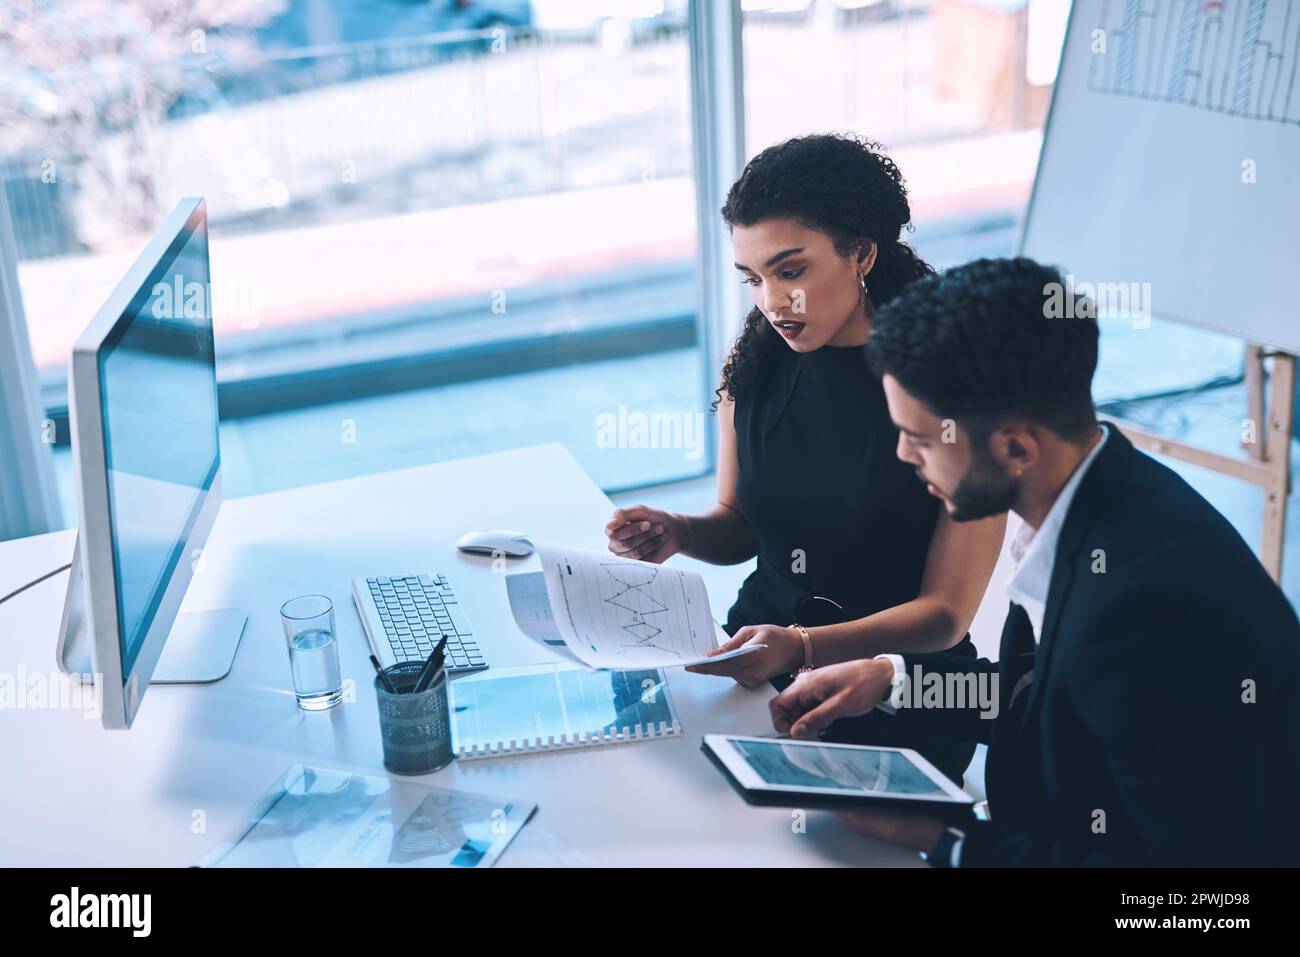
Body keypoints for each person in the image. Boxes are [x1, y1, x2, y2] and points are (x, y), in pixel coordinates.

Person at [769, 256, 1300, 866]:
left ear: (1016, 447)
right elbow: (1042, 697)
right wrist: (895, 680)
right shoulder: (1096, 491)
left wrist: (944, 841)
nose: (903, 455)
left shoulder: (1149, 612)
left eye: (918, 438)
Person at [603, 134, 1004, 782]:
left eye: (790, 271)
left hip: (894, 686)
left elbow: (945, 614)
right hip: (754, 654)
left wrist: (805, 646)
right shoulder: (761, 356)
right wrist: (680, 532)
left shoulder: (944, 385)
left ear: (862, 253)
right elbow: (740, 521)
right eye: (753, 278)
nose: (769, 301)